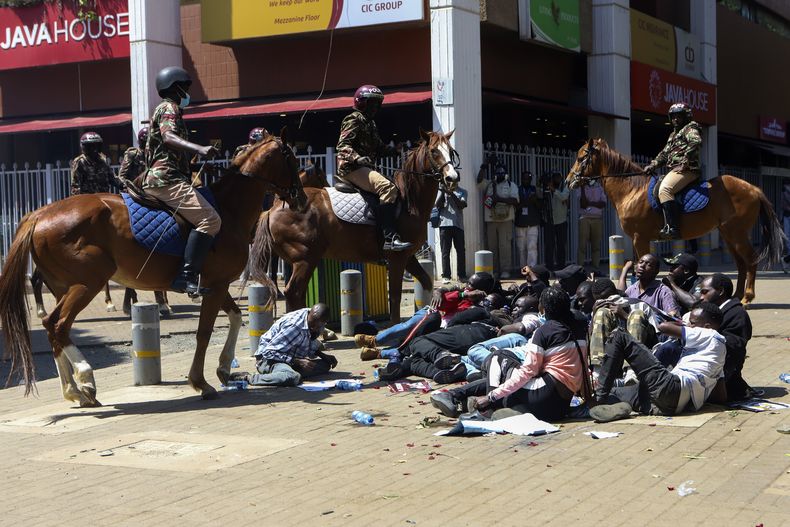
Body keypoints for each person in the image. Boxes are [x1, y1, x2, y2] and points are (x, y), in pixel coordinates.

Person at [430, 287, 588, 421]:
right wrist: (590, 400)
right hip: (561, 406)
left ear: (543, 309)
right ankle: (461, 397)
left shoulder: (544, 331)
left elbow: (528, 372)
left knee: (498, 357)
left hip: (543, 398)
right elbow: (582, 366)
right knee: (506, 375)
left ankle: (488, 409)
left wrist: (491, 396)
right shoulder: (579, 326)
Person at [143, 66, 221, 298]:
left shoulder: (165, 109)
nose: (187, 93)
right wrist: (200, 148)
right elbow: (168, 137)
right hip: (166, 180)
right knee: (210, 220)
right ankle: (185, 277)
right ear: (174, 87)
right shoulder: (170, 107)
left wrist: (196, 166)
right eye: (185, 88)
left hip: (166, 175)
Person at [590, 302, 726, 422]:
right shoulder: (719, 355)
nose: (689, 325)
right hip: (672, 406)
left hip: (672, 387)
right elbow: (721, 396)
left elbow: (663, 327)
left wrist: (681, 324)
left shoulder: (710, 334)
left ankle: (597, 400)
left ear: (707, 327)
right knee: (614, 392)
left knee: (619, 336)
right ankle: (624, 406)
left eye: (693, 323)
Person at [336, 85, 410, 252]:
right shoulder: (353, 119)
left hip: (363, 168)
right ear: (362, 103)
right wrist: (357, 158)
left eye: (377, 105)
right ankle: (390, 238)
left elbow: (378, 148)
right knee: (387, 188)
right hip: (352, 169)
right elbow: (342, 146)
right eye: (372, 104)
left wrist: (395, 151)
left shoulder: (371, 124)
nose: (375, 108)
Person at [355, 273, 496, 360]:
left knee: (415, 344)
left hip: (442, 327)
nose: (466, 286)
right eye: (467, 283)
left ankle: (378, 353)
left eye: (471, 285)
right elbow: (441, 301)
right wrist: (461, 294)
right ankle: (375, 340)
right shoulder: (461, 290)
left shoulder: (480, 306)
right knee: (409, 325)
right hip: (432, 313)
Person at [238, 304, 336, 387]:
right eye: (315, 326)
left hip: (291, 360)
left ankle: (285, 374)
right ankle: (248, 378)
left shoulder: (313, 319)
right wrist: (298, 361)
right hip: (268, 360)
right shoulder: (294, 326)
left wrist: (323, 355)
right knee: (294, 377)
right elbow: (268, 352)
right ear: (312, 319)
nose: (317, 328)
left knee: (325, 365)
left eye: (320, 325)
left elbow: (308, 342)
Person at [643, 102, 702, 240]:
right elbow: (664, 154)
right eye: (673, 117)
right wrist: (652, 165)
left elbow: (696, 141)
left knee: (665, 190)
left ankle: (673, 228)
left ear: (686, 117)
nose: (675, 119)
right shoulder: (672, 135)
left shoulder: (690, 128)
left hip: (687, 170)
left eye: (679, 116)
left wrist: (686, 159)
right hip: (675, 170)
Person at [698, 274, 754, 401]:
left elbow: (734, 346)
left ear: (721, 291)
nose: (701, 297)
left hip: (724, 373)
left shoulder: (737, 314)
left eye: (705, 292)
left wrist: (702, 333)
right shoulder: (713, 310)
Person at [479, 164, 519, 278]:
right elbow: (479, 181)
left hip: (506, 220)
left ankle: (505, 270)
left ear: (506, 174)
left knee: (504, 246)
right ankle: (495, 270)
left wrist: (499, 199)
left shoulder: (511, 185)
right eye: (498, 172)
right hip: (491, 220)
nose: (500, 174)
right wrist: (484, 166)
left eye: (502, 172)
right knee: (492, 246)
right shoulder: (489, 184)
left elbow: (515, 201)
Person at [435, 180, 468, 284]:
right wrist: (444, 192)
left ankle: (462, 275)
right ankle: (446, 276)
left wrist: (452, 194)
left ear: (458, 180)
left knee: (461, 252)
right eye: (449, 180)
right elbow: (437, 205)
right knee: (445, 252)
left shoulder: (462, 191)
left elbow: (462, 205)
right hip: (444, 225)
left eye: (453, 180)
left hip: (458, 225)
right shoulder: (441, 191)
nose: (451, 182)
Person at [70, 131, 115, 196]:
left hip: (104, 197)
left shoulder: (103, 160)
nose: (94, 149)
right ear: (84, 147)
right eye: (90, 146)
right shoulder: (80, 162)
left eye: (96, 146)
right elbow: (75, 185)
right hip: (88, 200)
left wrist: (123, 185)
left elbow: (112, 178)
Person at [576, 181, 606, 273]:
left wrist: (590, 203)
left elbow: (603, 204)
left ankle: (595, 269)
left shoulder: (600, 187)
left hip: (597, 218)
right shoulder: (581, 188)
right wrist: (582, 187)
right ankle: (580, 269)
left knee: (596, 246)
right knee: (582, 246)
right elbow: (583, 204)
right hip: (584, 218)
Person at [542, 171, 569, 270]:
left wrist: (553, 190)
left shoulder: (564, 188)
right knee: (549, 245)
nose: (557, 180)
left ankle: (561, 265)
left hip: (561, 221)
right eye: (555, 178)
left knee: (561, 245)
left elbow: (564, 197)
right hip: (550, 221)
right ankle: (549, 266)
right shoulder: (548, 188)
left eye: (559, 178)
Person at [514, 171, 541, 269]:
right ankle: (523, 269)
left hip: (532, 224)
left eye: (528, 179)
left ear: (531, 180)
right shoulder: (517, 189)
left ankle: (531, 269)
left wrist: (535, 201)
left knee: (532, 247)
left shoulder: (535, 190)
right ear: (521, 179)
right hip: (520, 224)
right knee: (521, 248)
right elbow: (515, 206)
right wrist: (525, 201)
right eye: (524, 178)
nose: (526, 180)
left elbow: (541, 206)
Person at [782, 179, 790, 272]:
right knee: (787, 238)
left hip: (786, 216)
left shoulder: (784, 191)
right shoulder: (785, 192)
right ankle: (786, 260)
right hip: (787, 216)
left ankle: (786, 260)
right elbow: (784, 206)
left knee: (788, 238)